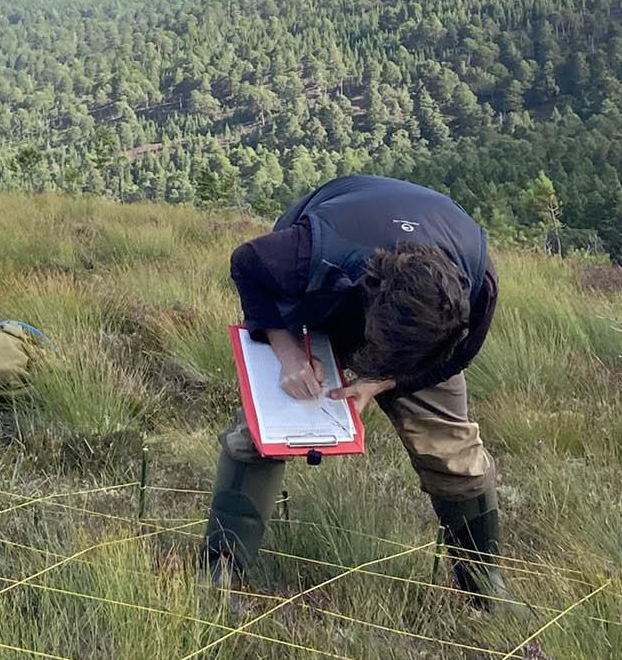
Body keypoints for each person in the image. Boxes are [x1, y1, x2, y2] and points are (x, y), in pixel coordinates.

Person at [202, 175, 505, 605]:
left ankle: (483, 584)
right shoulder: (306, 253)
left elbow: (454, 358)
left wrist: (377, 382)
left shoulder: (476, 285)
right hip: (323, 299)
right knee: (262, 433)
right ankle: (222, 568)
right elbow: (247, 265)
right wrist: (289, 355)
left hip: (418, 335)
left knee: (453, 453)